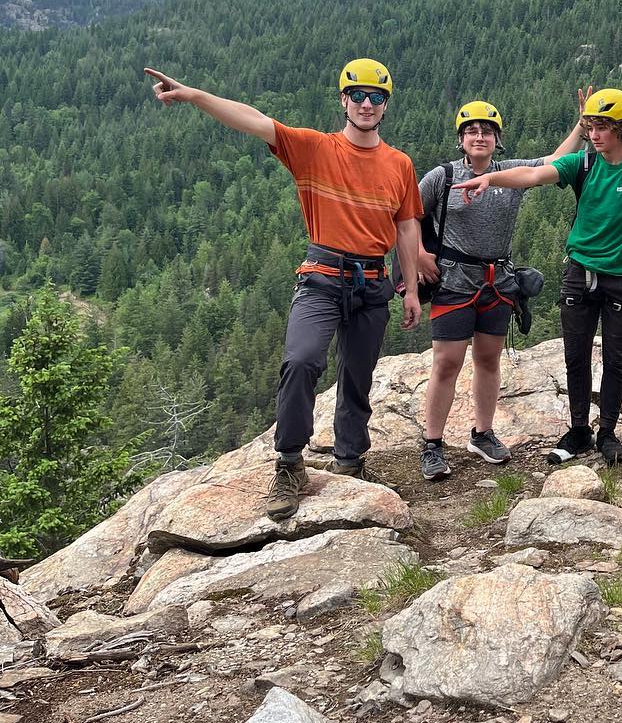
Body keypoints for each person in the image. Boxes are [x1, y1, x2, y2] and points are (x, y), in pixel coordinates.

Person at [144, 59, 423, 520]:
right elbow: (252, 119)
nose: (367, 104)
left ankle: (351, 460)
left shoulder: (399, 165)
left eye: (377, 97)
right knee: (301, 362)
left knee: (358, 375)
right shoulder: (314, 148)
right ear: (343, 101)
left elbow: (408, 227)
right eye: (359, 95)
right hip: (322, 276)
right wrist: (194, 95)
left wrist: (410, 289)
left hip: (373, 283)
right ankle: (290, 464)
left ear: (386, 106)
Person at [454, 88, 622, 466]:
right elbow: (536, 173)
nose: (594, 134)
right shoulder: (583, 164)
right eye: (590, 126)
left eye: (602, 126)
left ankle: (608, 433)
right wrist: (493, 178)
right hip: (579, 273)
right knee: (576, 356)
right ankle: (579, 430)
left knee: (617, 359)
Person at [413, 97, 586, 480]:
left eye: (487, 131)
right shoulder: (442, 176)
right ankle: (432, 443)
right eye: (472, 131)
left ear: (497, 140)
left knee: (489, 359)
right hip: (454, 281)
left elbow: (556, 161)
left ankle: (482, 433)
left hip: (497, 281)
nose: (479, 136)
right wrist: (420, 254)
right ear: (461, 139)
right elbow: (408, 215)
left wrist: (580, 125)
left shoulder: (509, 174)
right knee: (447, 362)